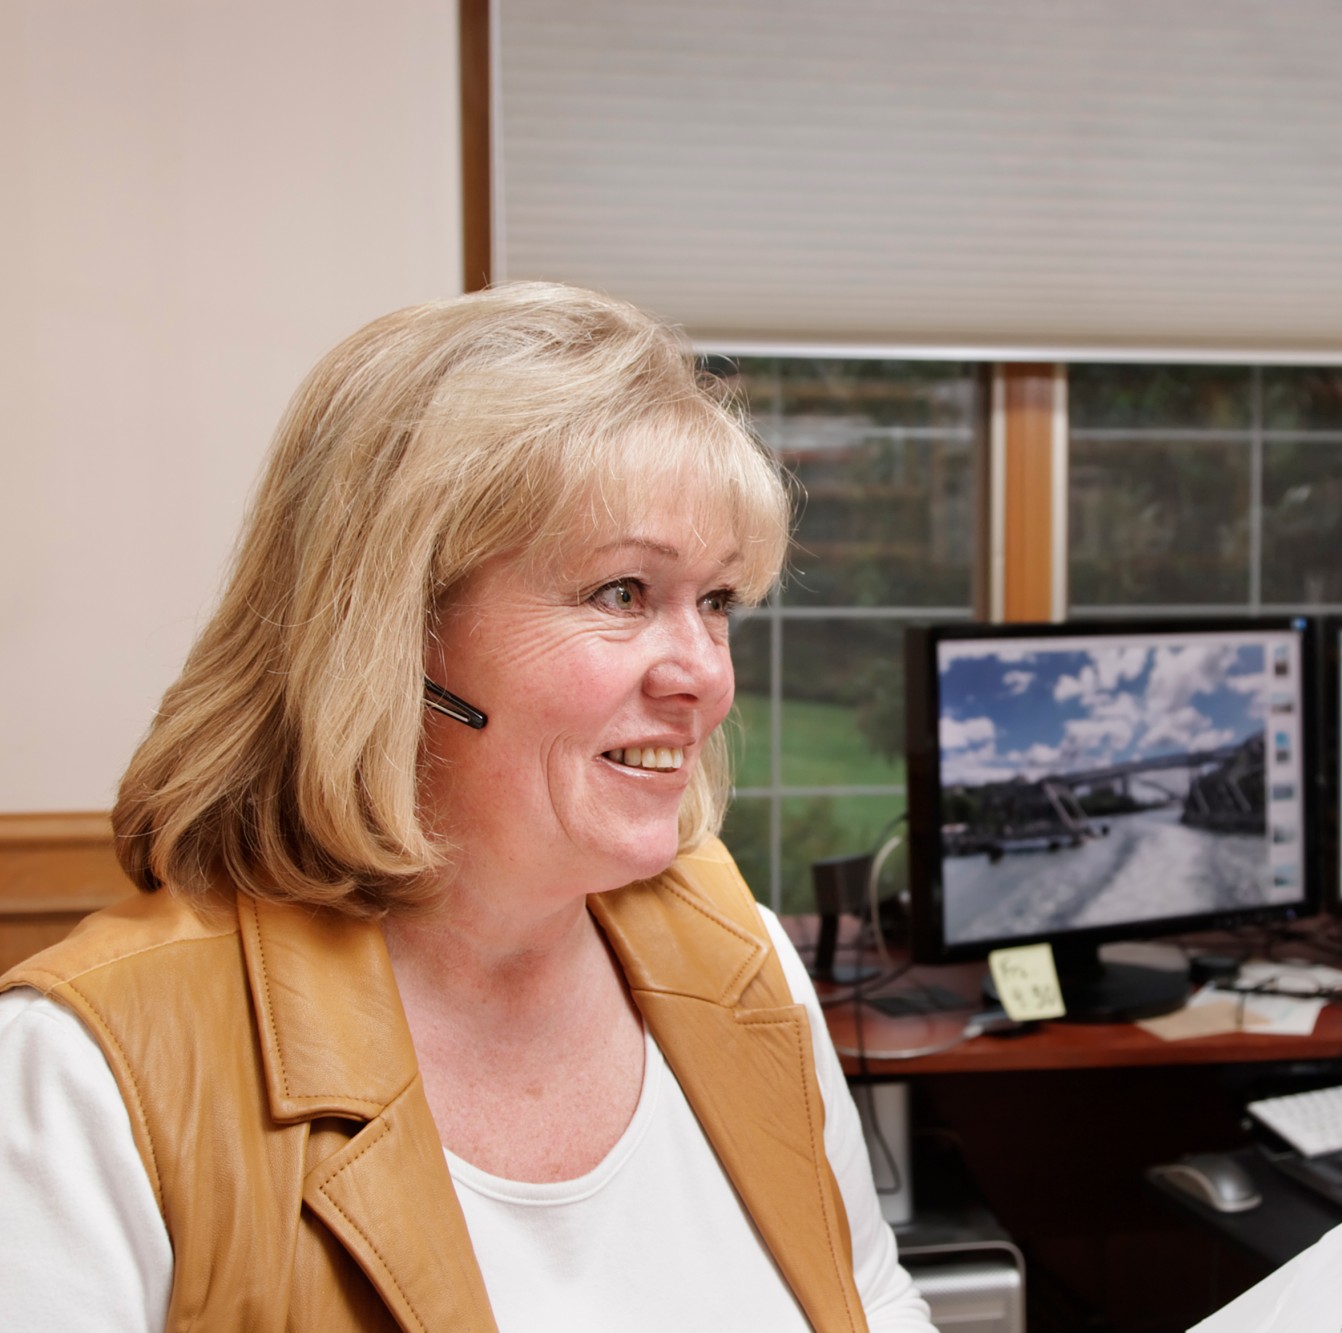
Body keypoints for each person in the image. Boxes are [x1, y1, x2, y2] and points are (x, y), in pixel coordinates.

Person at [0, 284, 936, 1331]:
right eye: (622, 593)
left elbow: (871, 1301)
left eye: (714, 602)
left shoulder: (741, 961)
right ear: (393, 630)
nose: (705, 679)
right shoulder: (80, 1074)